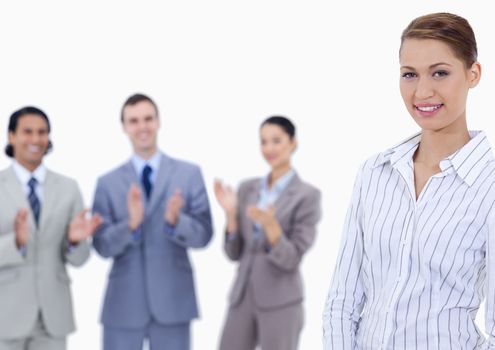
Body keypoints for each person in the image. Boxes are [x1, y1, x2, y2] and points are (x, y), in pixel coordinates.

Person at [323, 12, 494, 349]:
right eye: (409, 74)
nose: (422, 91)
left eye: (440, 73)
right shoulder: (374, 173)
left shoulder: (490, 184)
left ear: (473, 74)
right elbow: (342, 302)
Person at [92, 93, 213, 350]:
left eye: (148, 118)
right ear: (124, 127)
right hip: (123, 305)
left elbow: (204, 235)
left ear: (158, 122)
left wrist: (175, 222)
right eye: (133, 121)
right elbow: (101, 246)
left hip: (173, 302)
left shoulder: (189, 174)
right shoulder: (108, 183)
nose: (142, 126)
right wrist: (131, 225)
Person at [215, 116, 321, 350]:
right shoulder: (246, 189)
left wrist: (271, 226)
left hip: (281, 299)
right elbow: (234, 254)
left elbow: (292, 258)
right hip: (242, 295)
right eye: (263, 142)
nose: (269, 148)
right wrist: (231, 215)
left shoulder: (307, 195)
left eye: (276, 141)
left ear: (292, 143)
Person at [0, 106, 101, 350]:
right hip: (7, 313)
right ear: (11, 136)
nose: (36, 139)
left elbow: (80, 260)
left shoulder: (68, 188)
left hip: (53, 315)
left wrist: (74, 242)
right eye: (27, 132)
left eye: (42, 132)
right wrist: (16, 242)